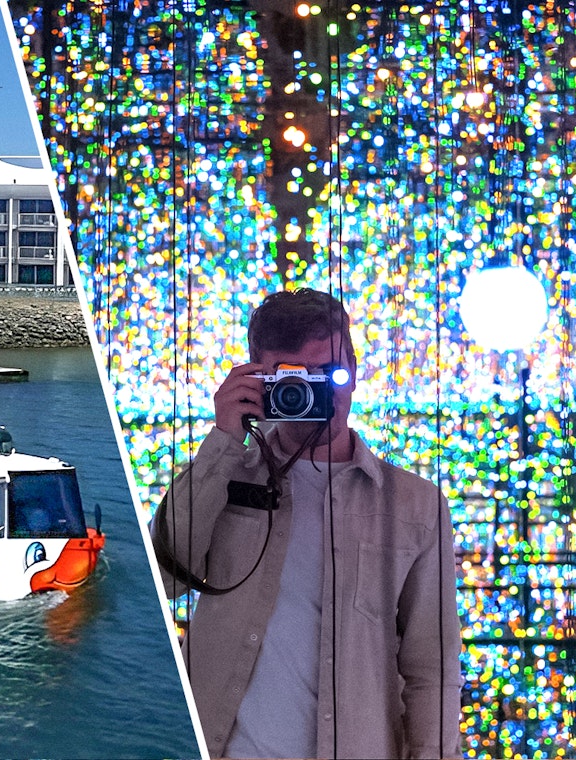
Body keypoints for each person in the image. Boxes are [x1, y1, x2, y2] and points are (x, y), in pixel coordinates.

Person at [150, 288, 462, 759]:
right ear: (259, 378)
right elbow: (164, 578)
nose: (316, 391)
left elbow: (431, 664)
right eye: (292, 377)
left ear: (354, 373)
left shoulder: (415, 505)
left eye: (328, 372)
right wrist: (224, 440)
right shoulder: (226, 474)